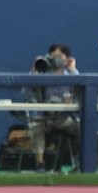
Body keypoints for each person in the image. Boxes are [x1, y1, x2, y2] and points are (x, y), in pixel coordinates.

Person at [27, 43, 79, 173]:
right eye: (53, 55)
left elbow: (80, 90)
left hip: (64, 118)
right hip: (44, 117)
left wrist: (73, 70)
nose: (57, 58)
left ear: (67, 58)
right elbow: (26, 91)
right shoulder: (42, 73)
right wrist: (34, 70)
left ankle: (80, 164)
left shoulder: (71, 75)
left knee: (83, 129)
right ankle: (40, 164)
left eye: (60, 56)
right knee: (35, 127)